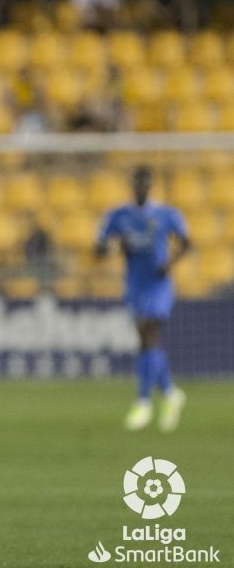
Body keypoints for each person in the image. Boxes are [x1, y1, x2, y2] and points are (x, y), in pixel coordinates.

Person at [96, 165, 190, 431]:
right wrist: (112, 247)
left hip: (158, 284)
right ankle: (171, 394)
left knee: (149, 335)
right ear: (132, 184)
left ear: (151, 185)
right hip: (135, 284)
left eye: (145, 182)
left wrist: (171, 263)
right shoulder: (118, 216)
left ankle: (143, 402)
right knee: (146, 342)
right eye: (137, 181)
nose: (141, 186)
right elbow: (99, 248)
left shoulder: (166, 214)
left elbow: (186, 243)